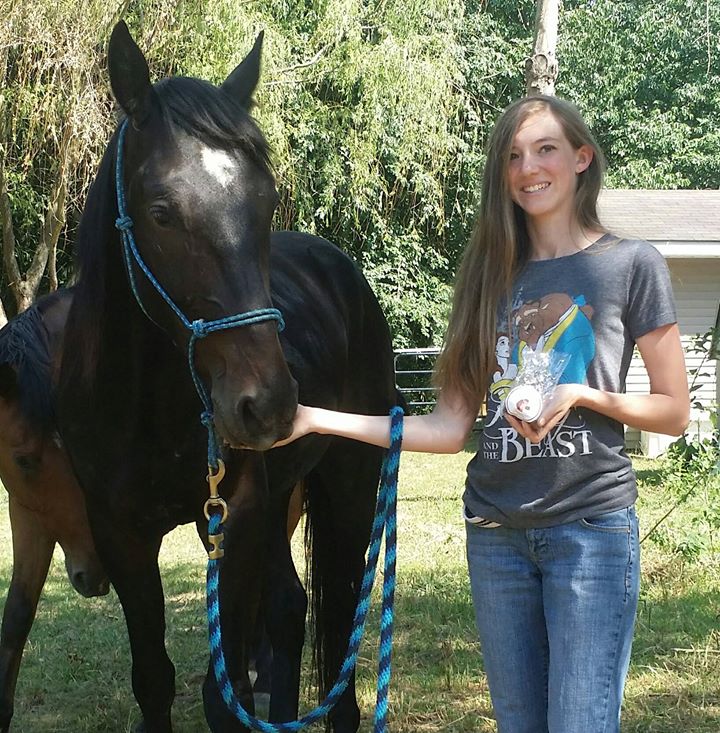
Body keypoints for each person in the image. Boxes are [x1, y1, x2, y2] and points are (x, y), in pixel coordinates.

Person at [276, 95, 690, 733]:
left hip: (591, 535)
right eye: (514, 156)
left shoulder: (632, 265)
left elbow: (673, 412)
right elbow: (447, 428)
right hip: (496, 540)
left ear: (582, 159)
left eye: (546, 149)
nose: (529, 167)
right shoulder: (486, 278)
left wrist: (580, 396)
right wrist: (313, 418)